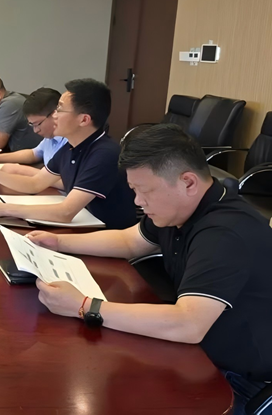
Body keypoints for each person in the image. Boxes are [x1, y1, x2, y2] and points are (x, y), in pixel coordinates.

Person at [29, 124, 272, 415]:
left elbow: (188, 324)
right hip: (197, 354)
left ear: (188, 183)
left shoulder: (225, 234)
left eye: (144, 191)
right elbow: (129, 241)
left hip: (239, 381)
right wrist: (57, 241)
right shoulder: (180, 210)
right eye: (134, 190)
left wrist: (83, 306)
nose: (138, 202)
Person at [0, 78, 137, 229]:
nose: (54, 115)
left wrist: (4, 209)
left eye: (59, 109)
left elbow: (65, 212)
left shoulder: (104, 154)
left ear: (83, 120)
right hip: (82, 227)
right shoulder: (70, 147)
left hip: (105, 235)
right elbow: (35, 183)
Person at [0, 87, 67, 189]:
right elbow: (33, 154)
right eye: (32, 125)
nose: (35, 130)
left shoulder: (71, 141)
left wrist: (24, 171)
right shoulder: (50, 137)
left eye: (37, 124)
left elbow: (67, 183)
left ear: (55, 114)